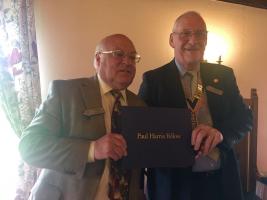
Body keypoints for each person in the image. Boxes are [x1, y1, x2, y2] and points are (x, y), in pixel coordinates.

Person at [138, 11, 253, 200]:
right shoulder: (154, 80)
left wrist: (221, 134)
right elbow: (141, 133)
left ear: (206, 40)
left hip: (221, 183)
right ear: (171, 40)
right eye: (185, 33)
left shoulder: (224, 75)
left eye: (200, 34)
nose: (193, 40)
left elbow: (245, 118)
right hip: (174, 187)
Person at [19, 34, 146, 200]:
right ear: (98, 60)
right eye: (118, 54)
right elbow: (30, 147)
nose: (128, 62)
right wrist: (92, 149)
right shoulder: (65, 93)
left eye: (132, 57)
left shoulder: (140, 105)